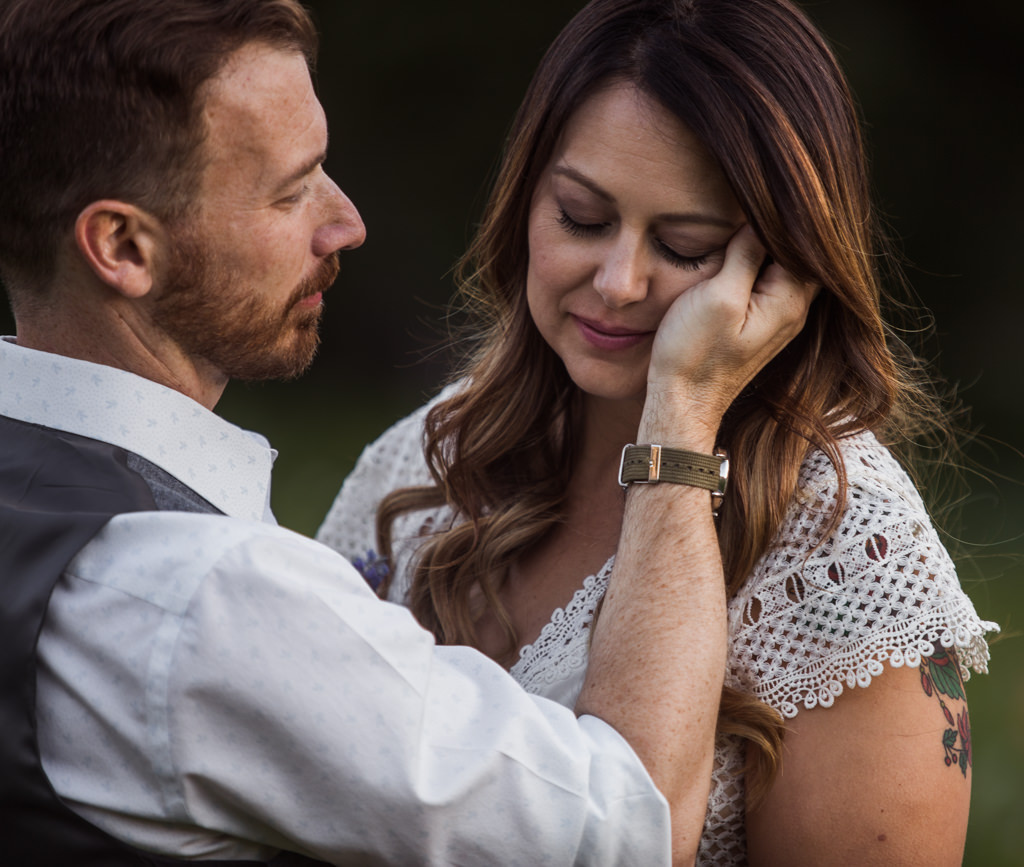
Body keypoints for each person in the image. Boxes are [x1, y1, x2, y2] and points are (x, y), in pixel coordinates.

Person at [0, 1, 815, 864]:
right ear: (123, 245)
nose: (344, 220)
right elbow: (624, 826)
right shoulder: (201, 598)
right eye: (292, 188)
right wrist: (683, 417)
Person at [317, 0, 1001, 864]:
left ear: (786, 265)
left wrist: (684, 408)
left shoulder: (845, 543)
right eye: (582, 217)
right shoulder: (429, 455)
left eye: (685, 245)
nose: (618, 280)